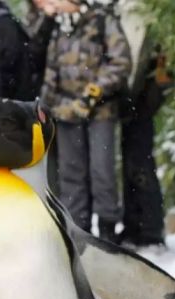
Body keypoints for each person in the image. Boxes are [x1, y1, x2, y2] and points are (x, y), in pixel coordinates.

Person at [37, 0, 131, 240]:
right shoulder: (60, 26)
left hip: (100, 113)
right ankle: (78, 233)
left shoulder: (102, 20)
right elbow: (51, 70)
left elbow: (120, 63)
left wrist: (94, 92)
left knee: (102, 171)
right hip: (66, 113)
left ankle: (109, 232)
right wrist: (45, 107)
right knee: (71, 174)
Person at [118, 0, 173, 248]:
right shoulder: (121, 12)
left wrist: (147, 102)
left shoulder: (155, 18)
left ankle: (151, 230)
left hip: (142, 104)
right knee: (130, 164)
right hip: (127, 102)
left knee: (141, 165)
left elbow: (163, 71)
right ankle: (132, 225)